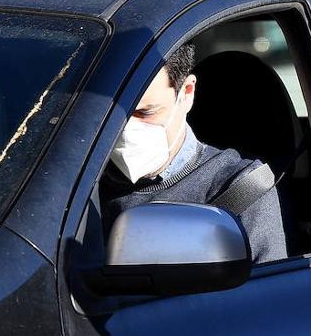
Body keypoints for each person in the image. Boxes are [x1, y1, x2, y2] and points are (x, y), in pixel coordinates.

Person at [100, 44, 287, 264]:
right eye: (110, 115)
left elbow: (265, 295)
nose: (125, 129)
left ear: (186, 93)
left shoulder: (239, 187)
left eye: (145, 112)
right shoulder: (72, 182)